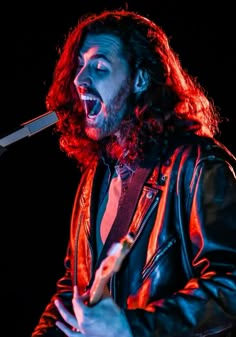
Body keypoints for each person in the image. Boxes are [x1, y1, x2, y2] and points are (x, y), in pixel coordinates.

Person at [31, 8, 236, 337]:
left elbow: (230, 286)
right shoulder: (95, 176)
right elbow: (73, 291)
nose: (80, 79)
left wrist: (131, 328)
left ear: (140, 79)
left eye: (99, 67)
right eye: (80, 65)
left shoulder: (198, 165)